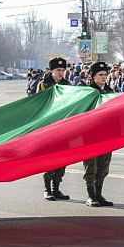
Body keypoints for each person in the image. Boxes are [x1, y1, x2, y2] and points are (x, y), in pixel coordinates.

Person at [37, 57, 71, 201]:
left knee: (62, 159)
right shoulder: (43, 85)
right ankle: (47, 189)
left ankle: (56, 189)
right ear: (52, 71)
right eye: (58, 70)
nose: (61, 73)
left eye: (63, 70)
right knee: (49, 159)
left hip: (63, 126)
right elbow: (39, 104)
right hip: (49, 127)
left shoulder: (67, 85)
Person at [83, 61, 115, 207]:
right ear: (93, 76)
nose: (103, 77)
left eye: (105, 74)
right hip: (91, 136)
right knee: (91, 167)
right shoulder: (88, 93)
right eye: (100, 74)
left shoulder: (109, 92)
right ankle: (91, 196)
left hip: (106, 135)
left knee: (103, 167)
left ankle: (99, 194)